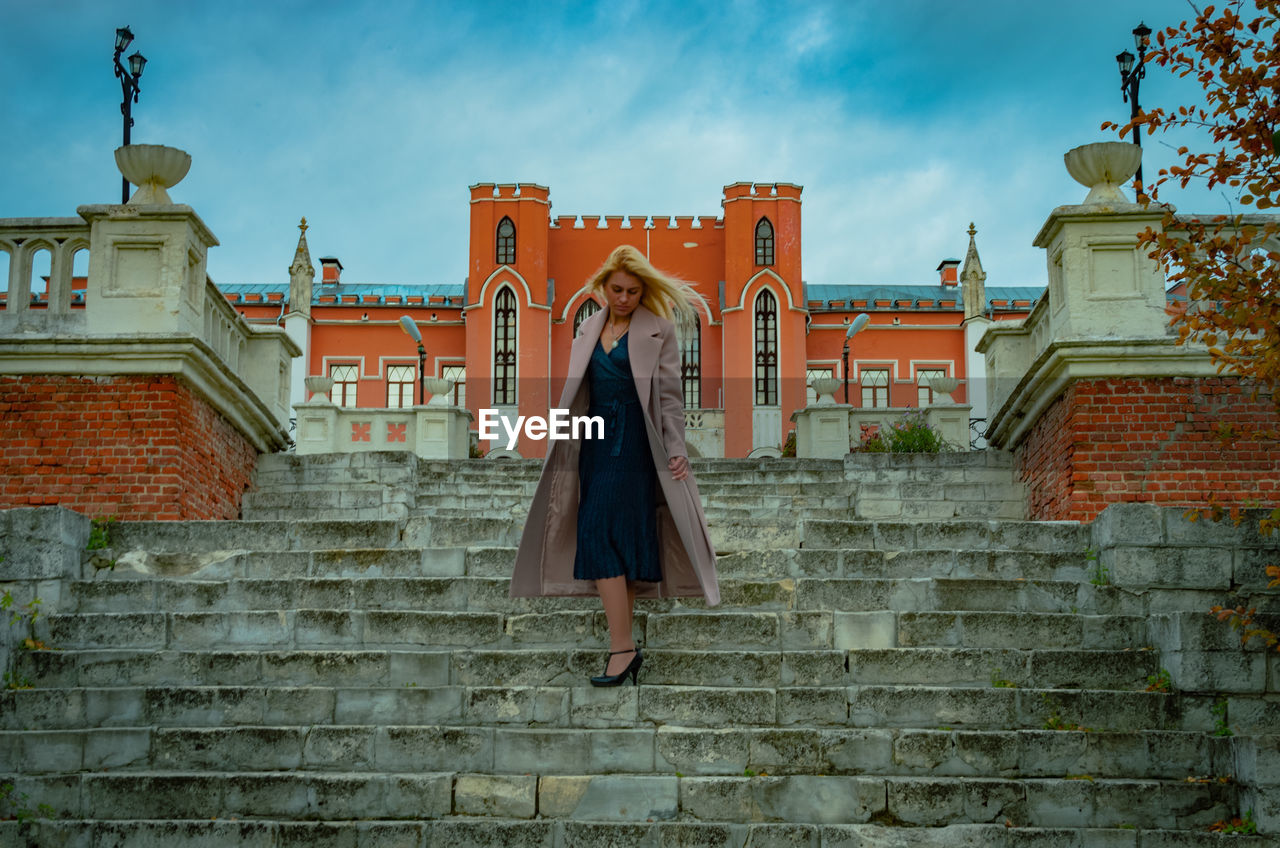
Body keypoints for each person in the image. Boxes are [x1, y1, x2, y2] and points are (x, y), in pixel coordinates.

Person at [511, 244, 719, 686]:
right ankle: (623, 645)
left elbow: (669, 398)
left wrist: (677, 446)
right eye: (617, 289)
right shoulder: (587, 328)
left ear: (644, 292)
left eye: (633, 291)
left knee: (605, 532)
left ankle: (621, 650)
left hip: (635, 447)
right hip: (592, 444)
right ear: (604, 286)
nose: (624, 298)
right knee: (609, 537)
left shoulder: (660, 330)